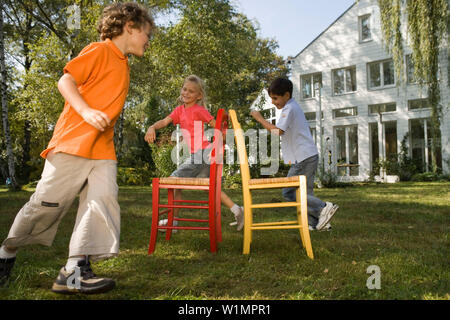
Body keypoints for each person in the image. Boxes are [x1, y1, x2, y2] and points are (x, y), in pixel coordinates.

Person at [0, 2, 154, 294]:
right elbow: (66, 80)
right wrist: (85, 111)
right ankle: (6, 252)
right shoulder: (99, 50)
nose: (149, 40)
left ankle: (73, 272)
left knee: (101, 202)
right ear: (130, 27)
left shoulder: (123, 64)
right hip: (73, 143)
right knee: (45, 205)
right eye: (147, 33)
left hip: (102, 150)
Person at [144, 75, 244, 231]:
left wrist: (225, 134)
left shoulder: (199, 110)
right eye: (184, 89)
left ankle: (173, 221)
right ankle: (237, 210)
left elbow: (215, 124)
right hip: (201, 156)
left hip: (203, 153)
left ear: (199, 96)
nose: (186, 93)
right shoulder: (179, 111)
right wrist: (152, 127)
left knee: (173, 179)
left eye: (191, 91)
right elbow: (164, 121)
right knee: (210, 188)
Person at [250, 77, 338, 231]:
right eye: (271, 98)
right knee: (306, 192)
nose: (273, 102)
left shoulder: (289, 109)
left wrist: (259, 118)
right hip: (307, 155)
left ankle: (324, 207)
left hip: (303, 158)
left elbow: (278, 131)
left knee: (289, 192)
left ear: (287, 95)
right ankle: (317, 223)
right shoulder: (291, 107)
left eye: (275, 98)